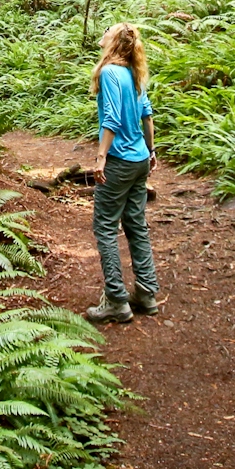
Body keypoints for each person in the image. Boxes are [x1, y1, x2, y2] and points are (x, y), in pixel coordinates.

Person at [85, 22, 160, 324]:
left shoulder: (109, 73)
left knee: (104, 226)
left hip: (119, 161)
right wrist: (151, 151)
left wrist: (101, 157)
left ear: (113, 41)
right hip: (140, 159)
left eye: (107, 30)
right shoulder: (133, 72)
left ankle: (116, 300)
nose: (102, 33)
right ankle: (146, 292)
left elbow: (112, 119)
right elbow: (147, 115)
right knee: (135, 224)